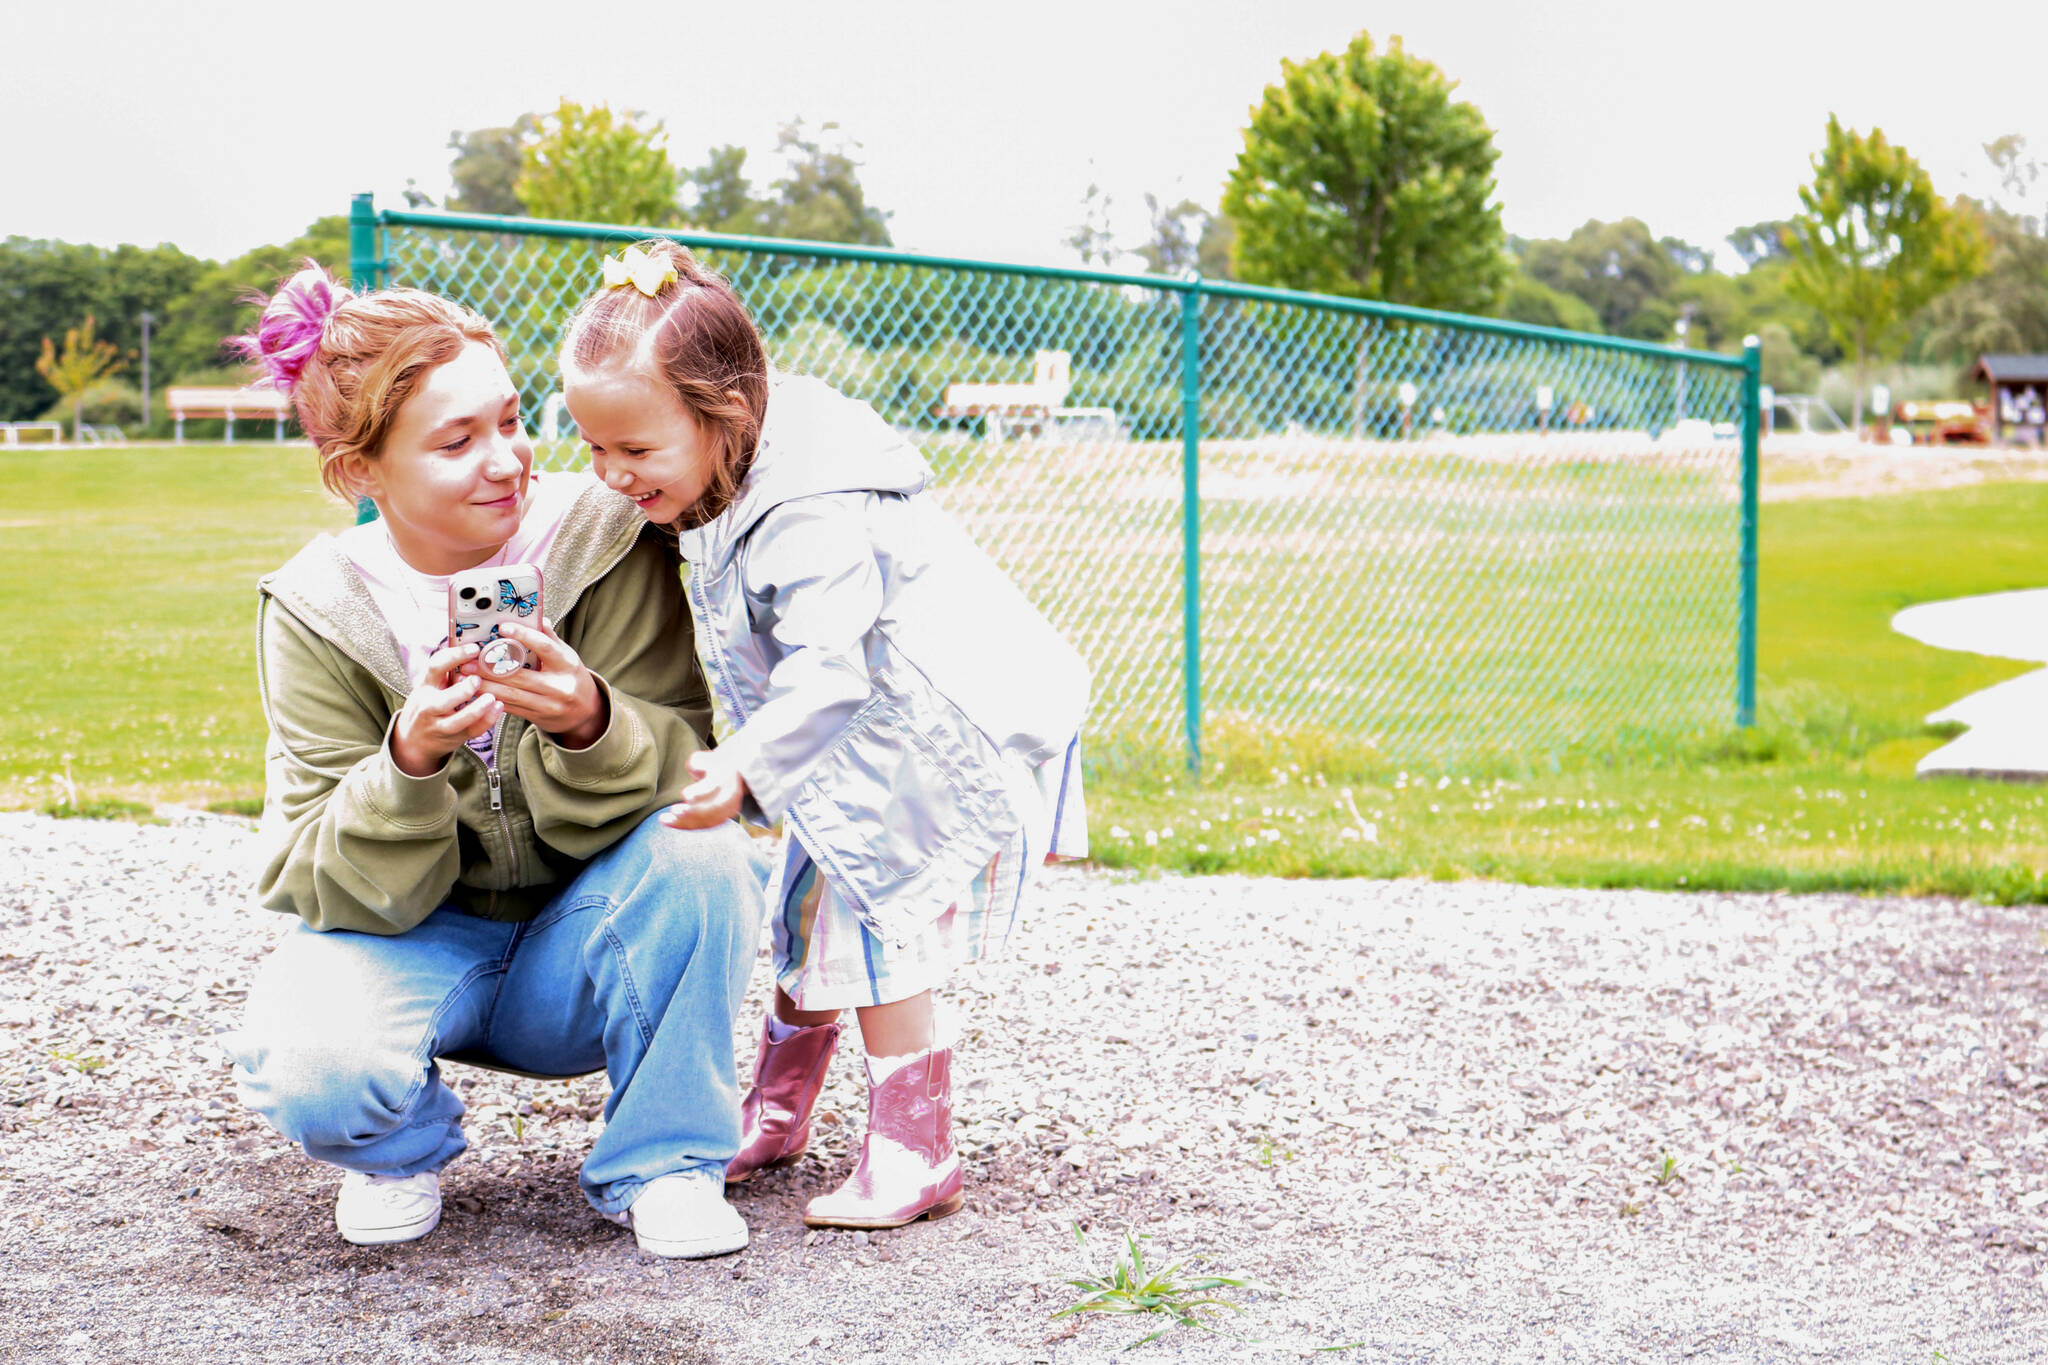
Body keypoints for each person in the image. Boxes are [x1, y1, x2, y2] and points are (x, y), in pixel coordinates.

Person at [225, 264, 761, 1259]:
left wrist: (591, 722)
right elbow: (309, 873)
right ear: (362, 471)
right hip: (417, 940)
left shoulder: (606, 534)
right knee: (312, 1066)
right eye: (456, 442)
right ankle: (397, 1150)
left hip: (586, 934)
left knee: (703, 850)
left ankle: (666, 1162)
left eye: (511, 421)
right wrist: (410, 760)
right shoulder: (315, 607)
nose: (506, 461)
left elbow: (687, 759)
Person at [557, 241, 1089, 1230]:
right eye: (594, 447)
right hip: (853, 737)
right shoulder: (730, 458)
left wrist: (745, 760)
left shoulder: (808, 510)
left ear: (724, 414)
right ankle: (776, 1108)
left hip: (928, 735)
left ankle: (917, 1149)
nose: (612, 473)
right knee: (802, 910)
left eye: (634, 451)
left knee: (874, 917)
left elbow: (832, 666)